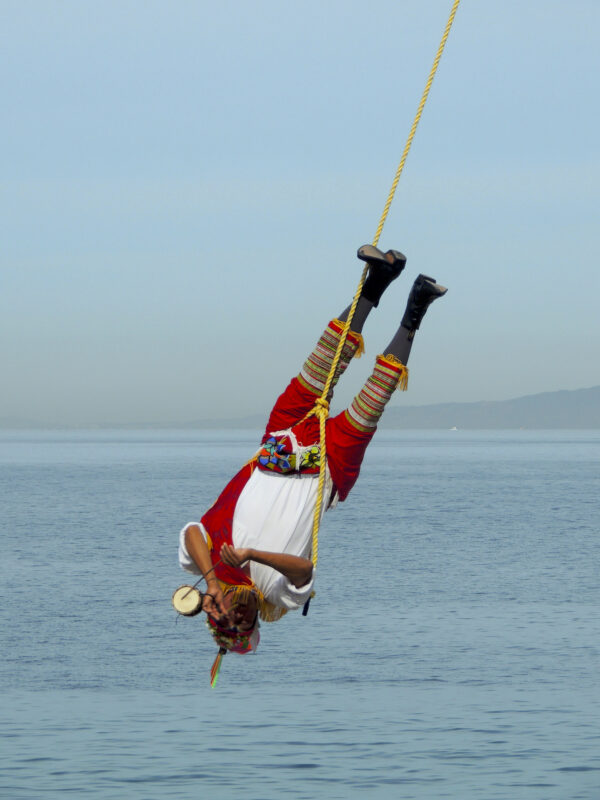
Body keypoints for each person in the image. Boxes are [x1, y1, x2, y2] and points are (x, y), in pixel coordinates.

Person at [176, 245, 447, 683]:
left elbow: (191, 530)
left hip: (277, 445)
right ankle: (416, 309)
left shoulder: (205, 566)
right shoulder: (277, 599)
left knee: (322, 362)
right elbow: (306, 571)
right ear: (252, 623)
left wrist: (210, 582)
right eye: (240, 624)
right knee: (376, 393)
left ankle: (376, 282)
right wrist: (250, 554)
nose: (233, 617)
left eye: (224, 620)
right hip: (327, 470)